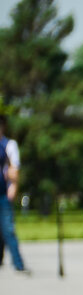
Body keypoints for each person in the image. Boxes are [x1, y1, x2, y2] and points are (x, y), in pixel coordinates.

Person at [0, 115, 28, 275]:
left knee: (8, 229)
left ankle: (18, 263)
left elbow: (14, 171)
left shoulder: (8, 145)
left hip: (3, 192)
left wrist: (13, 186)